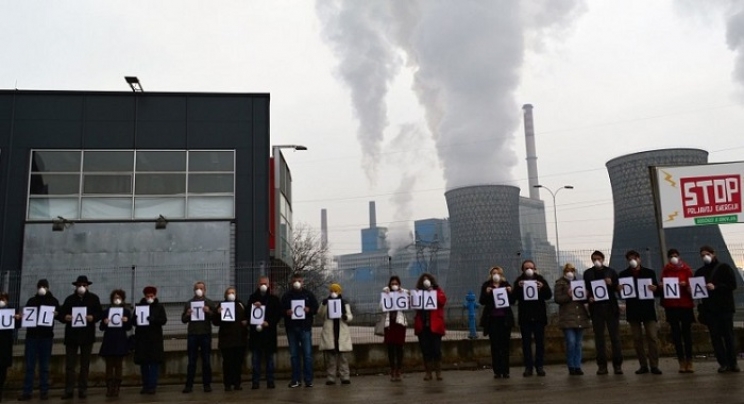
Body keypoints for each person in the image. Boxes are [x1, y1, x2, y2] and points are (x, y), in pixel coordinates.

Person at [695, 245, 740, 373]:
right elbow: (697, 291)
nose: (705, 257)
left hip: (725, 309)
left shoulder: (724, 268)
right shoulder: (699, 272)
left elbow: (732, 285)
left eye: (707, 254)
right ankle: (723, 363)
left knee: (728, 336)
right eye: (702, 255)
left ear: (713, 254)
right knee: (715, 338)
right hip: (710, 310)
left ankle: (733, 363)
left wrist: (716, 287)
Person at [58, 275, 102, 399]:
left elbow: (99, 313)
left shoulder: (93, 299)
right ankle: (69, 389)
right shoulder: (70, 299)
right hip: (72, 336)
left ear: (87, 286)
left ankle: (83, 389)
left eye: (84, 285)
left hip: (87, 336)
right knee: (70, 365)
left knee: (85, 365)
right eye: (79, 285)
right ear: (76, 286)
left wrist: (93, 317)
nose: (81, 287)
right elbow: (61, 314)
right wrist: (65, 317)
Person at [618, 251, 661, 375]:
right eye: (630, 259)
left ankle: (654, 365)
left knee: (652, 337)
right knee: (637, 339)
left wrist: (656, 289)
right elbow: (622, 294)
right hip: (633, 310)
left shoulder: (649, 273)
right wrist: (619, 290)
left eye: (635, 258)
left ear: (639, 259)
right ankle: (643, 365)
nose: (633, 260)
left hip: (648, 309)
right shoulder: (624, 275)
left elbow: (657, 292)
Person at [17, 279, 59, 401]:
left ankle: (44, 391)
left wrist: (57, 314)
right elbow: (26, 315)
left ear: (48, 288)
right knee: (29, 366)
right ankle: (27, 391)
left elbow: (60, 314)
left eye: (44, 286)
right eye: (40, 286)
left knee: (44, 366)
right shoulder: (32, 301)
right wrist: (22, 316)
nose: (42, 288)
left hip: (46, 337)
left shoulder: (53, 301)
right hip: (32, 337)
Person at [583, 250, 623, 375]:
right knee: (599, 338)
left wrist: (612, 284)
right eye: (594, 259)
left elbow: (618, 288)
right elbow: (585, 290)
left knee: (615, 337)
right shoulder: (588, 273)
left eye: (599, 258)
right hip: (596, 309)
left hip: (611, 307)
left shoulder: (611, 272)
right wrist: (588, 298)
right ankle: (602, 365)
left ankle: (617, 365)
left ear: (603, 259)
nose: (596, 261)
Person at [513, 260, 552, 377]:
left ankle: (539, 366)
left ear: (535, 269)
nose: (529, 270)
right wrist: (518, 288)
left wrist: (543, 287)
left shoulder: (541, 280)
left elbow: (548, 295)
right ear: (523, 270)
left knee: (540, 343)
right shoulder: (518, 281)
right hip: (525, 317)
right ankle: (528, 367)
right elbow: (513, 298)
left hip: (539, 317)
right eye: (526, 268)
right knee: (526, 344)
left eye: (531, 268)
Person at [660, 248, 695, 373]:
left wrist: (687, 285)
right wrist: (662, 286)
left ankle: (689, 361)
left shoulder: (687, 270)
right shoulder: (666, 270)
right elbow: (662, 285)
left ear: (679, 256)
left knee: (687, 334)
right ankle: (681, 361)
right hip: (672, 306)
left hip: (685, 305)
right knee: (676, 335)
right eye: (671, 256)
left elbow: (694, 287)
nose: (674, 258)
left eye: (676, 255)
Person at [281, 273, 319, 388]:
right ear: (291, 283)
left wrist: (309, 310)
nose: (297, 283)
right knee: (294, 355)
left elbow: (315, 308)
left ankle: (308, 380)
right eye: (294, 281)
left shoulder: (308, 294)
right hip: (291, 328)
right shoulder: (287, 296)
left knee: (307, 355)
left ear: (303, 282)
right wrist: (286, 312)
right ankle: (295, 379)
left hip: (305, 327)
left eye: (299, 281)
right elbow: (280, 310)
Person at [554, 263, 590, 376]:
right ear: (564, 272)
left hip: (580, 316)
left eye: (572, 270)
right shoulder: (559, 283)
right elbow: (557, 299)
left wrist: (586, 295)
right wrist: (568, 295)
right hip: (567, 317)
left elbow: (585, 299)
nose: (570, 272)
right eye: (567, 270)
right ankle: (571, 366)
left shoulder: (580, 283)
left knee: (578, 343)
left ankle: (577, 366)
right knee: (571, 342)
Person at [479, 266, 515, 379]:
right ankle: (497, 371)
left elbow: (513, 301)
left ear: (501, 274)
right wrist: (487, 292)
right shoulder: (486, 285)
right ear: (491, 274)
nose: (496, 274)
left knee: (505, 346)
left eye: (498, 273)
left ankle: (505, 370)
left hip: (504, 319)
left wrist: (510, 292)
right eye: (494, 273)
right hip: (493, 319)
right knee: (495, 346)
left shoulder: (506, 285)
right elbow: (482, 301)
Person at [181, 281, 217, 393]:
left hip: (205, 334)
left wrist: (209, 312)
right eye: (197, 288)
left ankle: (207, 384)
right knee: (191, 361)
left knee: (206, 360)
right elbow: (183, 320)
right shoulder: (189, 303)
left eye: (201, 288)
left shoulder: (210, 302)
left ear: (205, 290)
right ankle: (189, 385)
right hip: (193, 334)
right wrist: (187, 314)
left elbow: (216, 319)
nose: (199, 290)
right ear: (194, 290)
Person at [248, 276, 283, 389]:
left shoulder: (274, 299)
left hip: (269, 334)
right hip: (256, 334)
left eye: (265, 283)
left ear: (268, 285)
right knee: (255, 359)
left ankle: (270, 380)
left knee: (269, 360)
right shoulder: (252, 298)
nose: (263, 285)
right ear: (258, 285)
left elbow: (278, 314)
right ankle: (255, 381)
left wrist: (269, 323)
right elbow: (247, 314)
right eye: (261, 283)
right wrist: (253, 307)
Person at [133, 286, 168, 395]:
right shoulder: (139, 307)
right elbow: (133, 321)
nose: (149, 297)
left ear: (155, 295)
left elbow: (163, 320)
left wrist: (154, 319)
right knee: (144, 364)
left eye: (151, 296)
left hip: (154, 339)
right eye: (147, 296)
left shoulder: (159, 307)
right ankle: (145, 385)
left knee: (153, 364)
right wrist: (135, 319)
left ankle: (152, 386)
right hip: (142, 339)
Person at [212, 287, 247, 391]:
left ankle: (237, 383)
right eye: (229, 293)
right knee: (227, 363)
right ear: (225, 295)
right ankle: (227, 384)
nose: (231, 294)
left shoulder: (241, 305)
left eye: (233, 293)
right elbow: (215, 322)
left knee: (238, 363)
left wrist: (246, 322)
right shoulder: (221, 305)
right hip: (226, 340)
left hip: (239, 339)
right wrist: (217, 313)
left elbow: (247, 317)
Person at [99, 289, 133, 397]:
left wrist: (126, 321)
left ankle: (117, 387)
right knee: (109, 365)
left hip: (120, 340)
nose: (117, 300)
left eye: (119, 298)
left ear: (122, 299)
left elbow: (129, 328)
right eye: (115, 298)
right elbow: (101, 327)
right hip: (109, 339)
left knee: (118, 365)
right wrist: (105, 322)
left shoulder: (126, 312)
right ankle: (109, 387)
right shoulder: (106, 311)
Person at [413, 272, 447, 381]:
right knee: (425, 350)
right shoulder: (418, 293)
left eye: (427, 279)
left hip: (435, 326)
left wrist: (433, 292)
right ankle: (428, 372)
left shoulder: (437, 290)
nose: (425, 281)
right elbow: (412, 304)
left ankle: (438, 372)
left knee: (436, 349)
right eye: (424, 280)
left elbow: (443, 301)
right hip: (423, 326)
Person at [319, 283, 354, 386]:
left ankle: (345, 377)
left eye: (335, 291)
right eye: (332, 291)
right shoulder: (325, 303)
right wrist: (324, 304)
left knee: (343, 358)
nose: (333, 293)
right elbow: (320, 314)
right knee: (331, 358)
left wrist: (345, 317)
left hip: (341, 332)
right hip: (331, 332)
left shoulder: (344, 303)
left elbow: (349, 316)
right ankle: (331, 377)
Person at [382, 276, 408, 382]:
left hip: (399, 324)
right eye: (392, 283)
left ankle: (399, 370)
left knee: (399, 348)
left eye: (396, 283)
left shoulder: (403, 294)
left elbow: (408, 301)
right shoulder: (386, 294)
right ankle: (392, 369)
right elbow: (381, 307)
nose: (394, 285)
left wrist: (402, 293)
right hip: (389, 324)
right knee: (390, 349)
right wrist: (386, 295)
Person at [0, 293, 15, 401]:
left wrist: (17, 318)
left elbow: (17, 325)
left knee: (2, 371)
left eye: (3, 299)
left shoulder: (10, 310)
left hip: (5, 345)